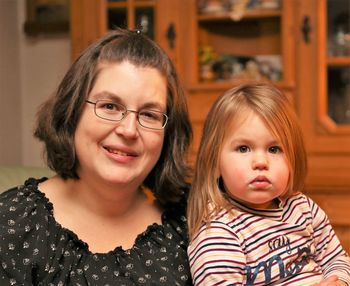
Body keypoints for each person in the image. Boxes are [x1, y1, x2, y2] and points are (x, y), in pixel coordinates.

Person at [0, 28, 193, 285]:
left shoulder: (194, 220)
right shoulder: (10, 224)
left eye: (149, 114)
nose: (128, 130)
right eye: (110, 106)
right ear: (72, 111)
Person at [187, 83, 350, 285]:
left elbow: (337, 259)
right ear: (214, 163)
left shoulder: (303, 208)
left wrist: (339, 281)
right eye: (243, 148)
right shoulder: (218, 235)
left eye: (274, 149)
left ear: (292, 159)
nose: (261, 162)